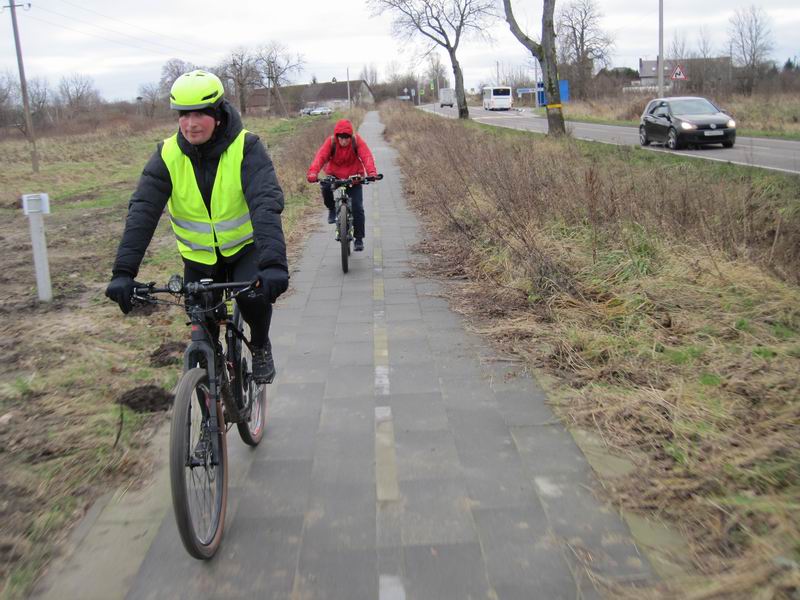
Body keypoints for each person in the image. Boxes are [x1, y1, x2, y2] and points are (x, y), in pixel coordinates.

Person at [105, 70, 288, 384]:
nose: (191, 123)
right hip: (198, 259)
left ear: (218, 114)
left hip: (244, 250)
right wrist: (123, 272)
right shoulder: (167, 155)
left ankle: (260, 345)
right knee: (201, 324)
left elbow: (265, 203)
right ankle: (209, 388)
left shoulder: (246, 147)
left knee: (251, 298)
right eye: (184, 115)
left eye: (200, 114)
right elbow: (143, 212)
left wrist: (273, 265)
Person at [306, 119, 378, 252]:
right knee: (325, 187)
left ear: (350, 137)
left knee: (357, 207)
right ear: (337, 136)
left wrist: (372, 173)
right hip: (335, 175)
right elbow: (320, 157)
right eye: (341, 138)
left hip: (354, 178)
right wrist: (313, 173)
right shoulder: (331, 142)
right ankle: (332, 209)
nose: (344, 141)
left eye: (346, 138)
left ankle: (359, 239)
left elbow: (366, 156)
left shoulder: (357, 141)